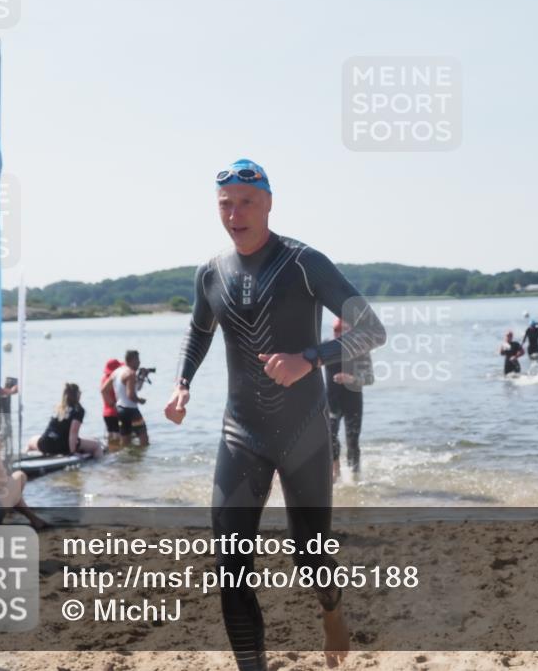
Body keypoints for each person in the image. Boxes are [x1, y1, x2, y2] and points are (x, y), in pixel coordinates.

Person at [164, 159, 386, 671]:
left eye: (246, 202)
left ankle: (331, 610)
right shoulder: (211, 273)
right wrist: (181, 383)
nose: (235, 213)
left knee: (311, 561)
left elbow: (372, 329)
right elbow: (199, 331)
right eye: (226, 203)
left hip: (305, 432)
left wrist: (308, 359)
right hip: (240, 433)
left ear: (268, 203)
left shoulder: (304, 262)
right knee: (230, 566)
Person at [323, 318, 374, 482]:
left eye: (341, 331)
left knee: (352, 441)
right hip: (332, 401)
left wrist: (351, 379)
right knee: (330, 436)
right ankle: (335, 471)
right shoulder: (325, 347)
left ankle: (355, 478)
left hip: (353, 402)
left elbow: (370, 378)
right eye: (335, 331)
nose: (337, 335)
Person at [27, 383, 103, 459]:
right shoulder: (78, 410)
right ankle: (100, 465)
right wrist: (73, 452)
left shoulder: (58, 408)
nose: (81, 393)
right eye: (79, 391)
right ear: (76, 395)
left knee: (31, 441)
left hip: (45, 444)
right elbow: (73, 433)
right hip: (62, 446)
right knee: (96, 446)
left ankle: (24, 459)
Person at [111, 350, 149, 446]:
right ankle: (141, 459)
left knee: (125, 438)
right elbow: (130, 395)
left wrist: (112, 404)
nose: (139, 362)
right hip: (131, 410)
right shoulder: (130, 373)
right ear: (131, 360)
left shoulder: (116, 372)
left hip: (120, 409)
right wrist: (140, 400)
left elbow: (104, 389)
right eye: (137, 360)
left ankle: (124, 459)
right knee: (144, 437)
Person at [100, 358, 123, 449]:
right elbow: (104, 392)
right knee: (118, 437)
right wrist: (113, 404)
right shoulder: (113, 380)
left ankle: (111, 453)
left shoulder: (104, 379)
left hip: (106, 413)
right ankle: (117, 455)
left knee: (111, 436)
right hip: (114, 412)